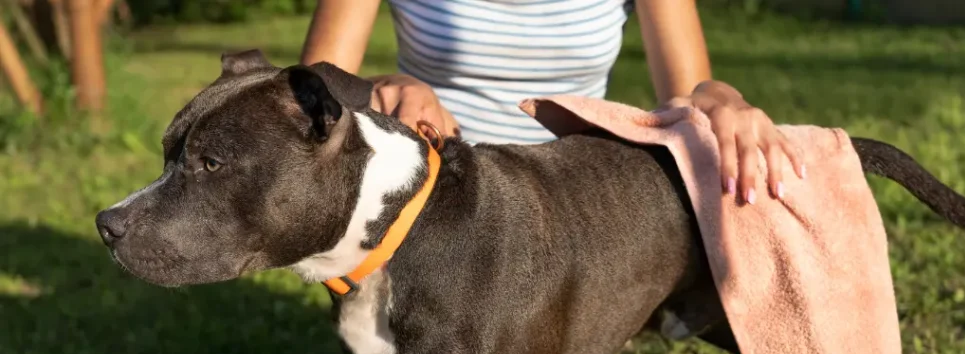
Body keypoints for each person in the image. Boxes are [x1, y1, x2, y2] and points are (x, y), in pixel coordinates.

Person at [300, 0, 803, 204]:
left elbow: (689, 93)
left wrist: (723, 99)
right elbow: (307, 90)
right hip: (437, 192)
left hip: (568, 198)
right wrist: (387, 85)